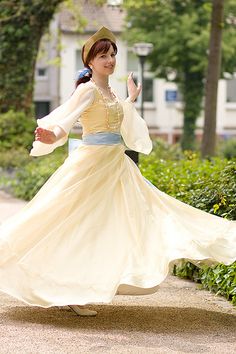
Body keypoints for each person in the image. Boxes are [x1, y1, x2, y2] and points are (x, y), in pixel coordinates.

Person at [0, 27, 235, 317]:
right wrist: (53, 135)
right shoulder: (87, 89)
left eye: (112, 54)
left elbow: (115, 121)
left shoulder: (110, 91)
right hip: (91, 164)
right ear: (90, 62)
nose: (110, 60)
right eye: (103, 55)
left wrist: (130, 99)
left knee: (122, 220)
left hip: (116, 163)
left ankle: (77, 286)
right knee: (75, 223)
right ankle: (71, 289)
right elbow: (68, 119)